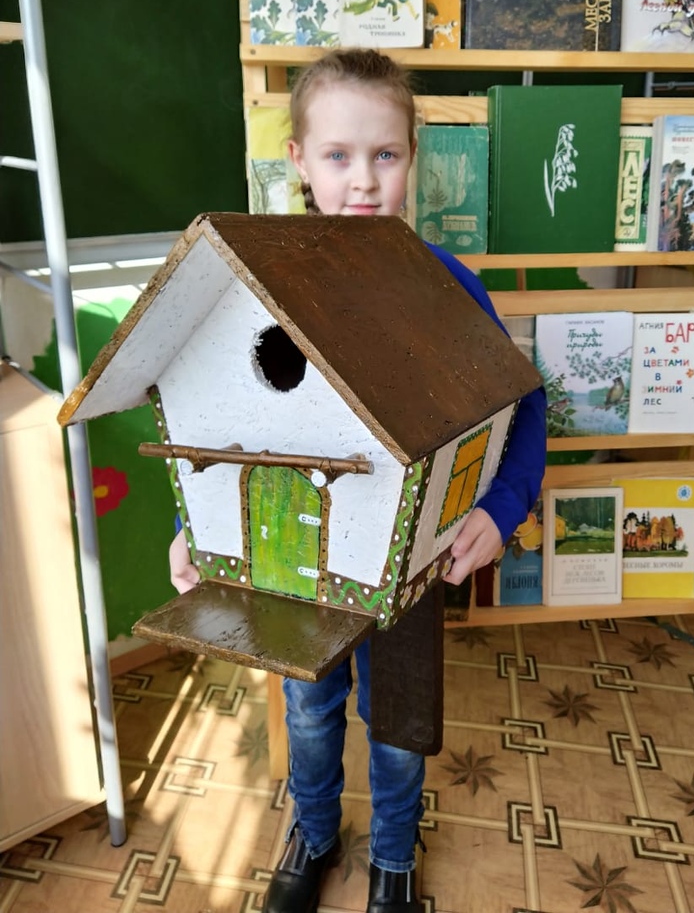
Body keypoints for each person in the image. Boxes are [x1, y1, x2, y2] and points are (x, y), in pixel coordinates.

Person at [169, 48, 547, 913]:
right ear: (299, 160)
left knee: (399, 723)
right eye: (338, 155)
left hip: (409, 562)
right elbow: (218, 414)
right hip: (294, 559)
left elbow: (525, 404)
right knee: (309, 714)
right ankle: (313, 833)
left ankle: (394, 857)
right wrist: (200, 528)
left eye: (385, 154)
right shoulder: (257, 284)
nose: (365, 180)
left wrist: (500, 507)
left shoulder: (446, 284)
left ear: (413, 157)